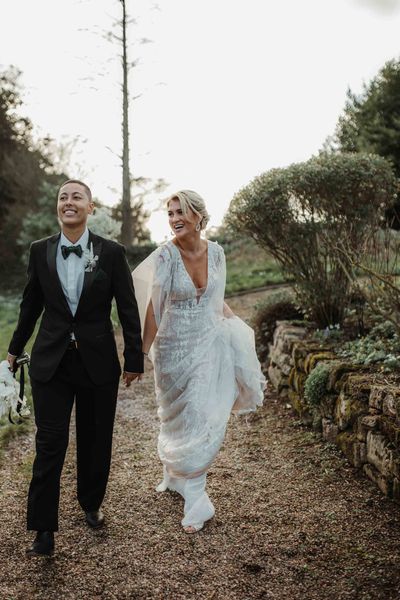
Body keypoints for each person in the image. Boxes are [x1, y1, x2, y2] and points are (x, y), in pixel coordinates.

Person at [7, 180, 143, 557]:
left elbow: (127, 307)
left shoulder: (111, 253)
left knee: (95, 438)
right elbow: (30, 304)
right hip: (50, 363)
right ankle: (43, 529)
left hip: (97, 363)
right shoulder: (40, 251)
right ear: (58, 207)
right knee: (50, 443)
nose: (69, 202)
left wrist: (134, 357)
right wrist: (14, 350)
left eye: (76, 197)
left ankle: (91, 502)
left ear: (90, 207)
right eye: (63, 197)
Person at [132, 190, 266, 534]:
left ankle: (197, 496)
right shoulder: (165, 256)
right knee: (175, 417)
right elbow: (154, 309)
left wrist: (240, 334)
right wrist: (139, 355)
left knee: (202, 415)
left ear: (198, 216)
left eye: (181, 212)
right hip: (172, 350)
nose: (175, 219)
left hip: (209, 343)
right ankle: (176, 475)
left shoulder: (218, 252)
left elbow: (217, 302)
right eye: (171, 213)